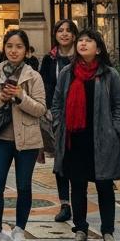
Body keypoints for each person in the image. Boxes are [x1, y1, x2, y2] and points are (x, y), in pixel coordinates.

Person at [50, 29, 120, 241]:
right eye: (81, 40)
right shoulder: (67, 72)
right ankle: (80, 229)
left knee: (105, 186)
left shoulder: (109, 74)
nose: (83, 43)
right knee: (77, 186)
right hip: (74, 140)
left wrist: (114, 131)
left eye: (89, 41)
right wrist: (59, 125)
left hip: (102, 139)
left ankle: (108, 231)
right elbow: (56, 103)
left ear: (98, 48)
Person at [0, 28, 46, 241]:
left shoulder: (33, 76)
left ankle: (19, 229)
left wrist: (20, 96)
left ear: (26, 50)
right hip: (2, 139)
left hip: (27, 139)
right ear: (3, 49)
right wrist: (1, 97)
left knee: (23, 185)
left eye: (19, 46)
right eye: (9, 46)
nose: (14, 50)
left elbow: (41, 109)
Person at [42, 19, 78, 222]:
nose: (64, 34)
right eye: (60, 30)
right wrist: (49, 109)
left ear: (74, 35)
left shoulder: (82, 56)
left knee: (78, 159)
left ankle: (79, 201)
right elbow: (45, 84)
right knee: (60, 159)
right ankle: (65, 204)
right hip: (58, 116)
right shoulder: (50, 59)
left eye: (68, 31)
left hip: (80, 114)